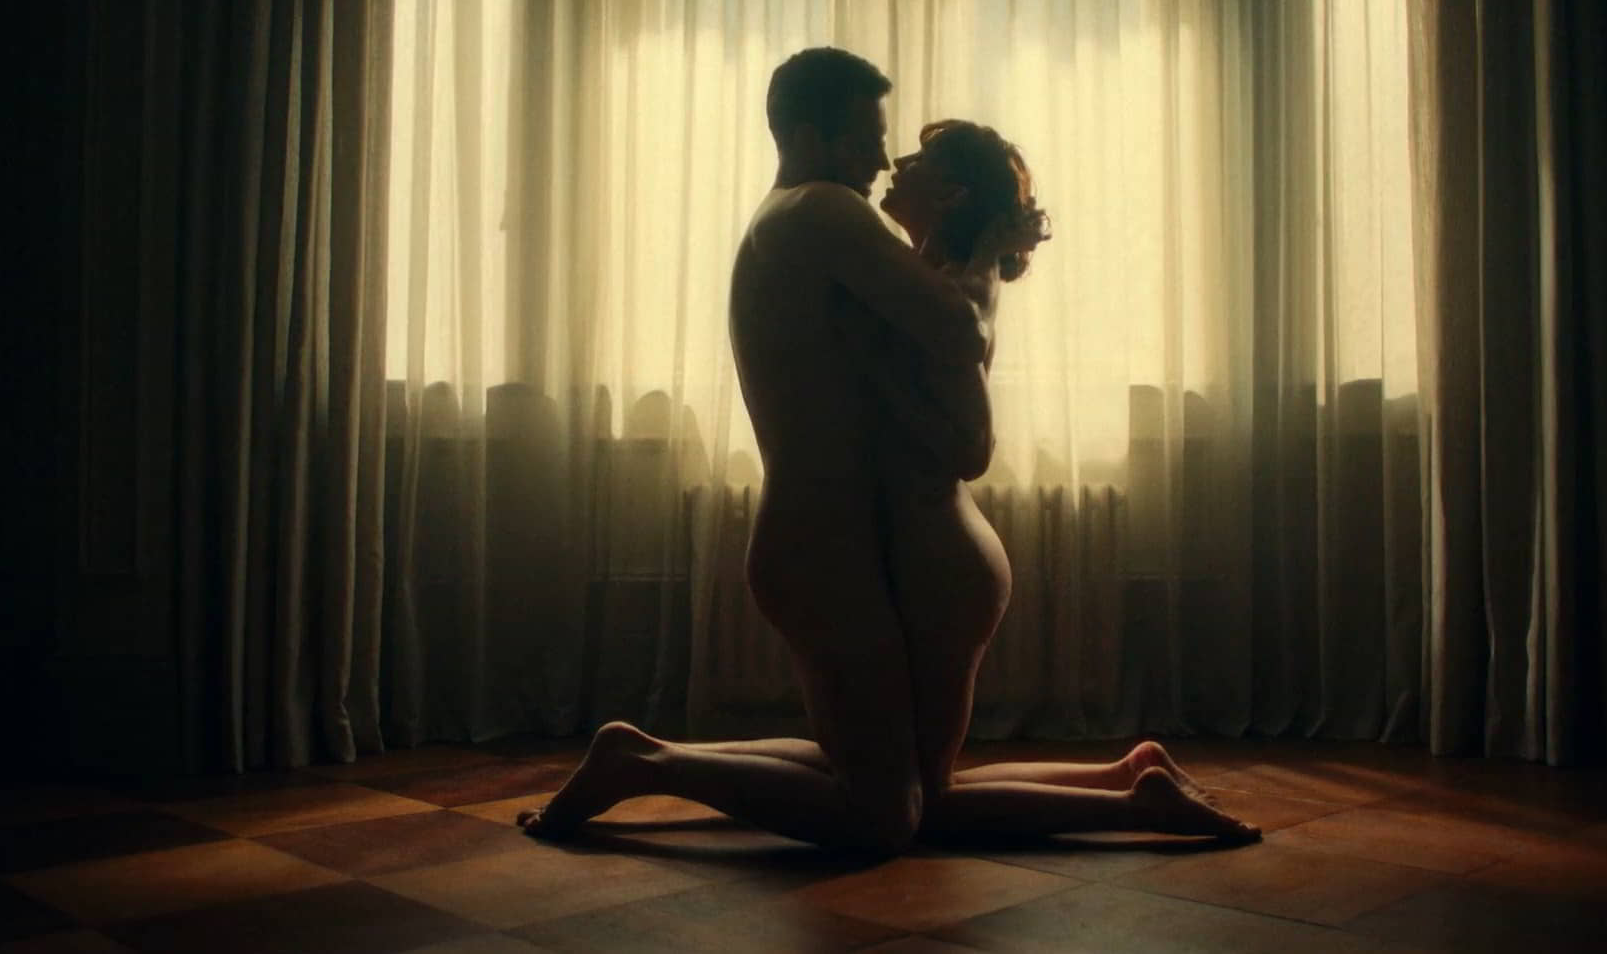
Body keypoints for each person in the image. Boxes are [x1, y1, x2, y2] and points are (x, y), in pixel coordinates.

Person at [519, 47, 1257, 853]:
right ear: (810, 134)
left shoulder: (802, 219)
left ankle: (645, 760)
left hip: (838, 537)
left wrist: (956, 248)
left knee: (893, 788)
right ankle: (646, 764)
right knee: (886, 806)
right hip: (830, 542)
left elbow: (942, 377)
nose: (881, 159)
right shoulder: (820, 210)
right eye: (867, 138)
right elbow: (958, 334)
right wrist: (980, 251)